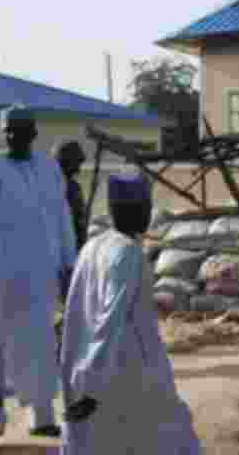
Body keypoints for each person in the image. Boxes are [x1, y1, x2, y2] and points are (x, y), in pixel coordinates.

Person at [60, 173, 201, 454]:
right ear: (130, 210)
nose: (149, 213)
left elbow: (76, 314)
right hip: (129, 374)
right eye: (145, 206)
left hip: (99, 369)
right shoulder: (128, 253)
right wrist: (91, 387)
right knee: (165, 438)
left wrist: (77, 375)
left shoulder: (93, 246)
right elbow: (109, 321)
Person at [0, 105, 76, 437]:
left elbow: (62, 217)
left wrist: (68, 262)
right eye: (8, 130)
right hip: (2, 272)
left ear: (33, 133)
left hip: (42, 273)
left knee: (41, 343)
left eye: (20, 129)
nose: (14, 135)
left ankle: (42, 417)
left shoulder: (48, 168)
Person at [53, 140, 88, 357]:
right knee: (71, 304)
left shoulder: (72, 186)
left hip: (75, 251)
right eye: (76, 162)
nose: (80, 166)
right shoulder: (58, 187)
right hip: (64, 254)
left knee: (73, 304)